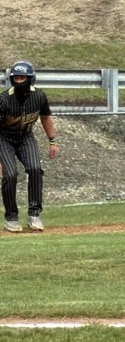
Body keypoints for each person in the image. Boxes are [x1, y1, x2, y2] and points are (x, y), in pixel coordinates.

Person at [0, 61, 59, 232]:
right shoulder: (4, 100)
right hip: (4, 139)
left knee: (35, 169)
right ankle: (11, 218)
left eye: (22, 78)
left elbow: (46, 117)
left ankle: (34, 215)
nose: (19, 81)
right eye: (16, 78)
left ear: (30, 78)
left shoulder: (39, 97)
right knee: (10, 175)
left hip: (26, 137)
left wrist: (52, 140)